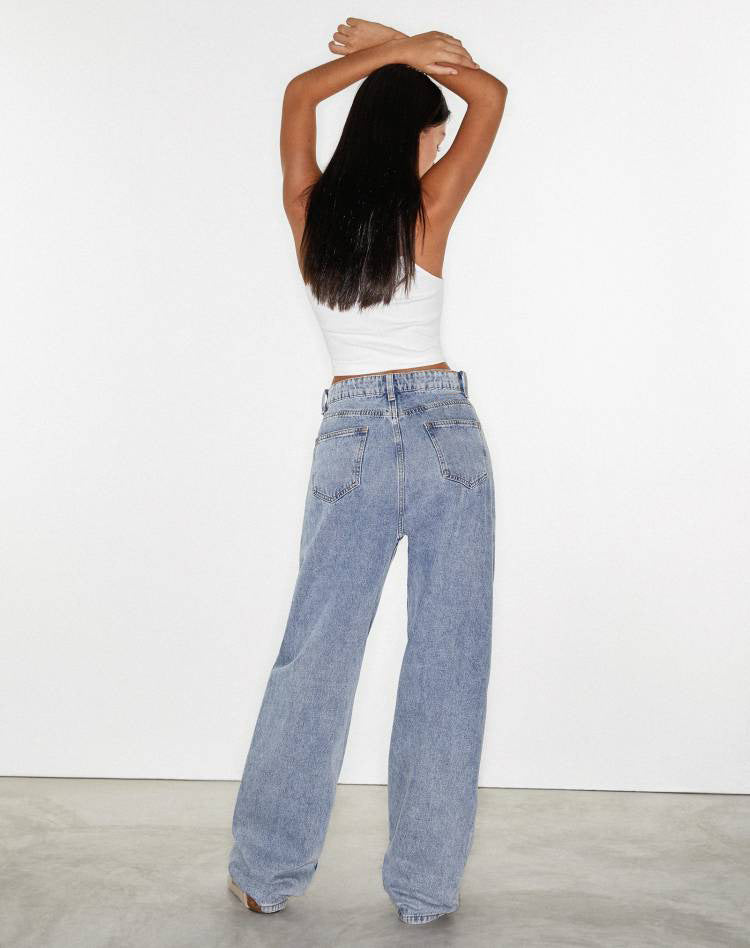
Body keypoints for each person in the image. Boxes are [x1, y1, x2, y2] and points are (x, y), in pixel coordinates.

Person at [227, 18, 508, 925]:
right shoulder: (427, 210)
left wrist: (385, 56)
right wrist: (407, 47)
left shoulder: (307, 209)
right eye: (432, 132)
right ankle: (425, 891)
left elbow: (297, 96)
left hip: (350, 435)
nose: (437, 144)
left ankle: (265, 874)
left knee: (314, 656)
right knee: (448, 661)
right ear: (416, 136)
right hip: (443, 432)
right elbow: (493, 96)